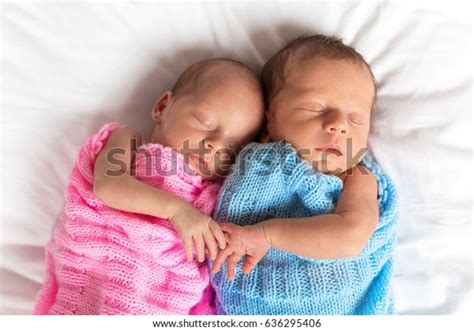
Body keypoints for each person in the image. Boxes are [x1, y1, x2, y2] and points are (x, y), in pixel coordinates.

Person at [33, 58, 265, 314]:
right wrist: (178, 211)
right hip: (97, 277)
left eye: (231, 147)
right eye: (205, 121)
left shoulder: (218, 194)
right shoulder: (128, 140)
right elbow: (109, 186)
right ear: (162, 106)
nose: (215, 144)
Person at [209, 35, 398, 315]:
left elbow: (351, 237)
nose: (337, 125)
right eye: (316, 108)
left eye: (355, 118)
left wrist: (267, 235)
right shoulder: (252, 157)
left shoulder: (357, 178)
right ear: (269, 120)